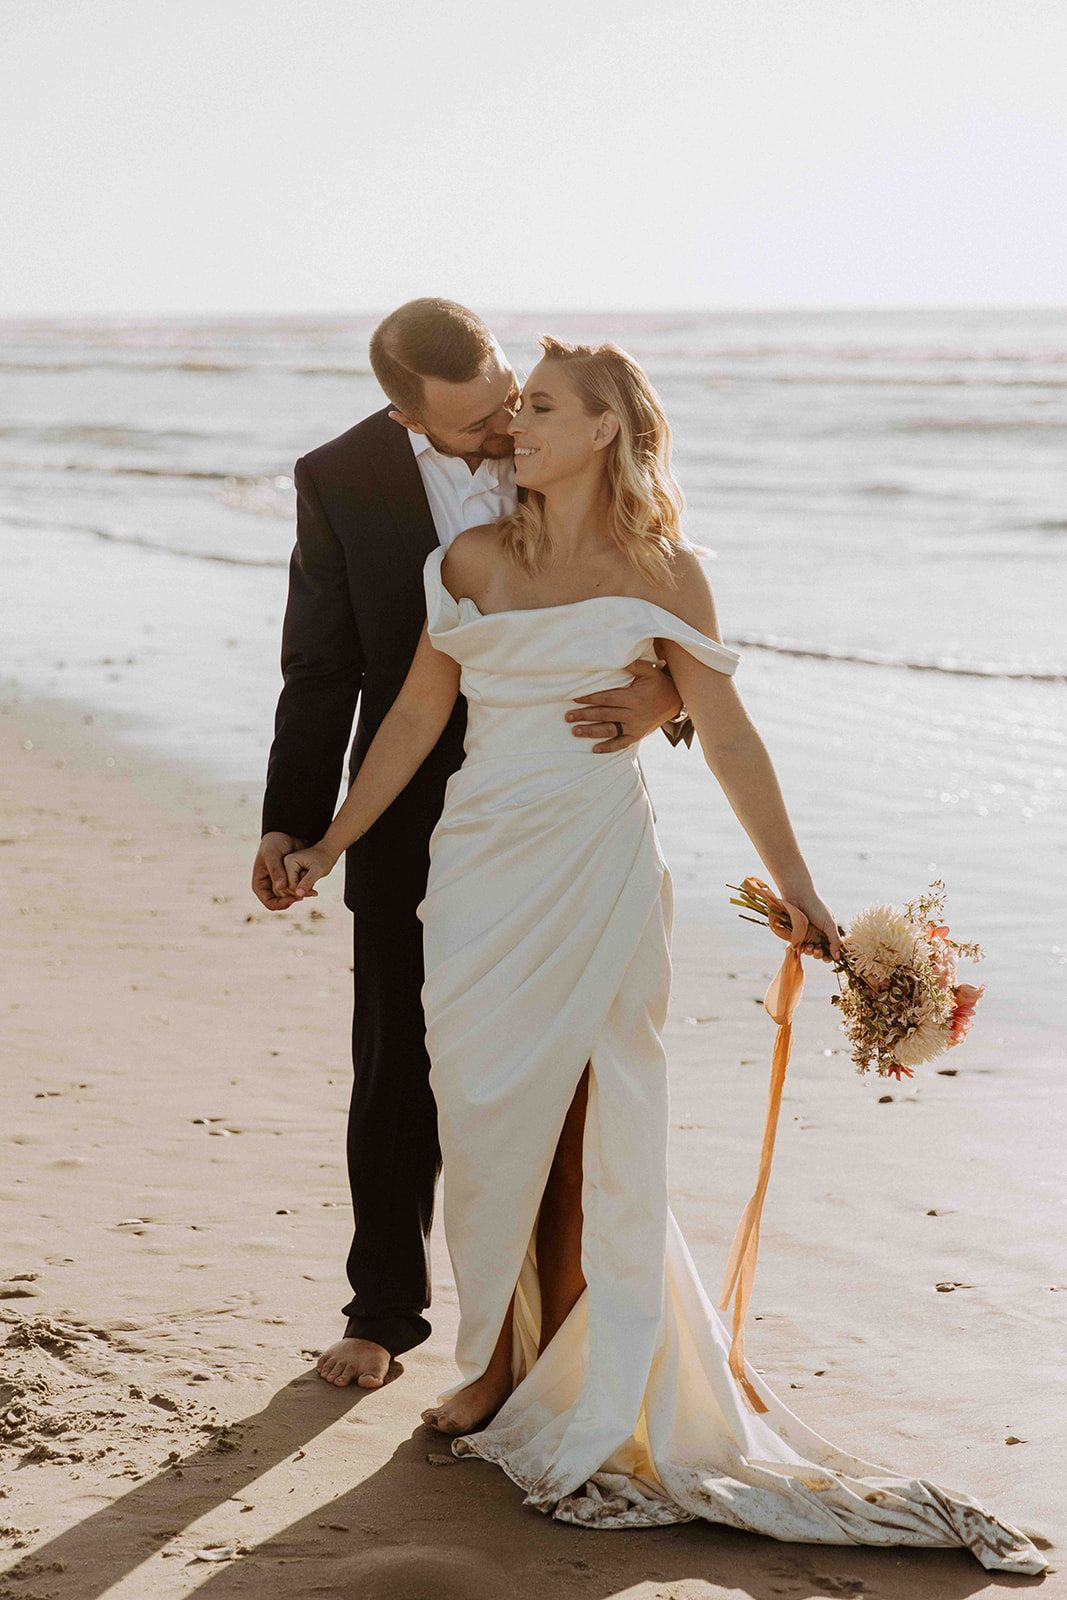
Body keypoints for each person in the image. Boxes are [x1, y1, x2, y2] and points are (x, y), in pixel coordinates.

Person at [279, 337, 1044, 1573]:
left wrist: (802, 894)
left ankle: (535, 1373)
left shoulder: (668, 571)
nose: (513, 428)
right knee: (481, 1112)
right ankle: (500, 1352)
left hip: (598, 863)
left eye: (536, 409)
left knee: (590, 1114)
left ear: (604, 432)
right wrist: (328, 839)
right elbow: (416, 716)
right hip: (478, 865)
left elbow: (727, 733)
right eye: (512, 406)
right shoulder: (465, 559)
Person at [253, 300, 690, 1392]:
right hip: (406, 805)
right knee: (398, 1057)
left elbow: (670, 600)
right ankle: (382, 1311)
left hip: (561, 794)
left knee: (580, 1067)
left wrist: (663, 695)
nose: (501, 431)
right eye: (471, 424)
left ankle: (561, 1334)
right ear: (407, 419)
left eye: (506, 401)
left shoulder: (559, 416)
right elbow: (322, 671)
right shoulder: (339, 479)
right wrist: (295, 821)